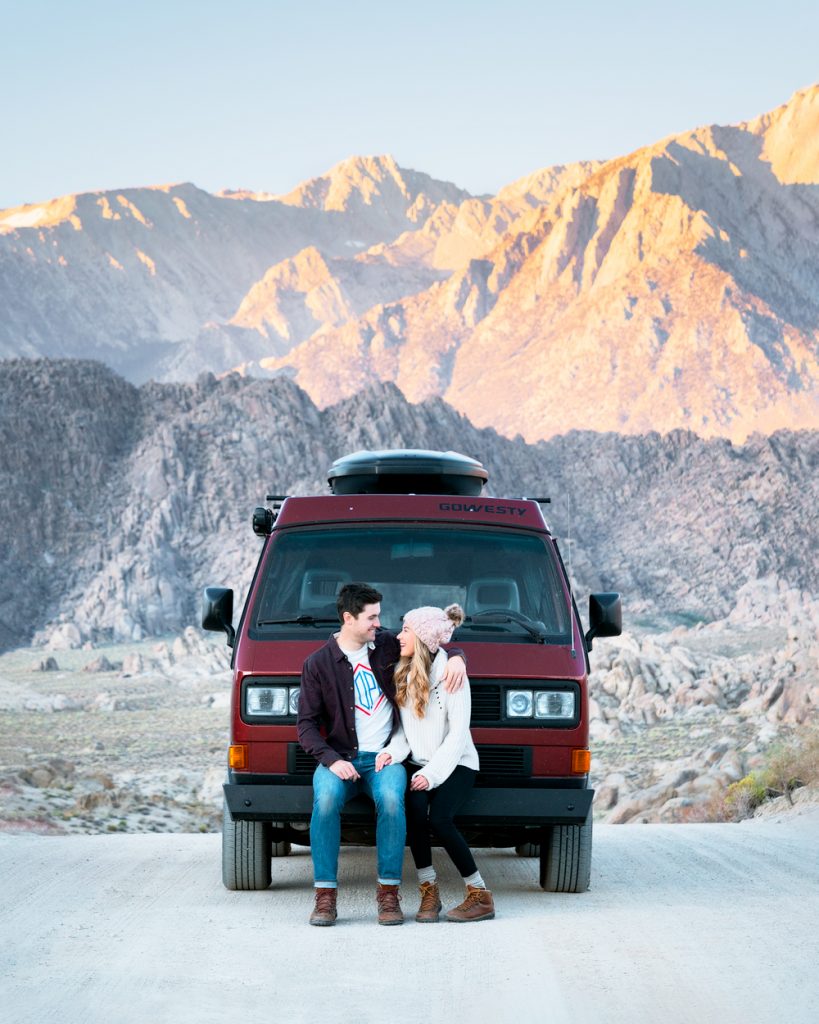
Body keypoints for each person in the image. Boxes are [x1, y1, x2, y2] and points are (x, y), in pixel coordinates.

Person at [297, 582, 466, 927]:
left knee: (391, 798)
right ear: (348, 618)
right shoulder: (318, 664)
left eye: (379, 616)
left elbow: (431, 642)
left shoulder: (386, 646)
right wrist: (333, 760)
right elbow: (306, 726)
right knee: (325, 799)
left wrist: (460, 658)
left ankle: (388, 893)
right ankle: (325, 897)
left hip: (385, 757)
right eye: (372, 617)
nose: (379, 623)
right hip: (340, 757)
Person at [376, 603, 495, 923]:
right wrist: (392, 752)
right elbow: (405, 731)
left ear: (423, 637)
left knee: (440, 818)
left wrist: (431, 774)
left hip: (457, 763)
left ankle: (480, 895)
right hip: (420, 763)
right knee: (415, 813)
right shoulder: (404, 670)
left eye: (406, 630)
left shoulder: (450, 674)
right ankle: (430, 893)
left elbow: (458, 735)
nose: (399, 636)